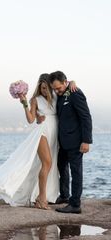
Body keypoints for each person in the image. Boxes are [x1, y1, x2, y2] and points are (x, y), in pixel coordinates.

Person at [0, 74, 77, 209]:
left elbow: (66, 87)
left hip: (55, 134)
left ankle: (40, 196)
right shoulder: (35, 99)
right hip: (42, 132)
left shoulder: (57, 96)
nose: (45, 91)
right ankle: (42, 200)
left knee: (47, 166)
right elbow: (31, 119)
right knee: (47, 163)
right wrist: (24, 102)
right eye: (42, 88)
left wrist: (73, 82)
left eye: (47, 88)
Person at [49, 71, 92, 214]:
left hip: (76, 141)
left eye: (58, 88)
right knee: (61, 166)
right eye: (54, 89)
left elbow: (86, 117)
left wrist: (86, 141)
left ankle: (75, 205)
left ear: (65, 82)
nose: (57, 91)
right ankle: (65, 196)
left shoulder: (75, 93)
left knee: (76, 172)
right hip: (63, 141)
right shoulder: (61, 94)